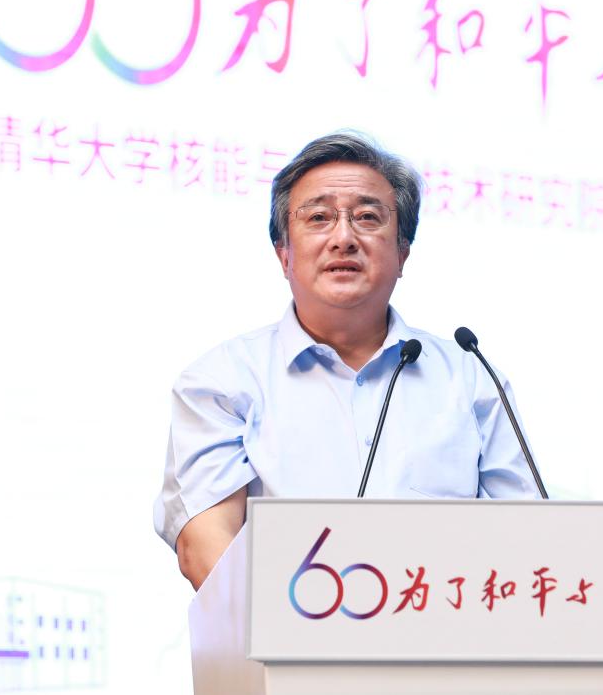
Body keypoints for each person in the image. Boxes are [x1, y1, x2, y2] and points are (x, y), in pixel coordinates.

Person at [154, 131, 540, 588]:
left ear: (402, 253)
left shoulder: (470, 379)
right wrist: (306, 623)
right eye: (318, 217)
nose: (343, 238)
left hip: (446, 627)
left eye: (368, 218)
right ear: (284, 254)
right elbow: (206, 547)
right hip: (287, 630)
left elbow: (530, 540)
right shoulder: (222, 381)